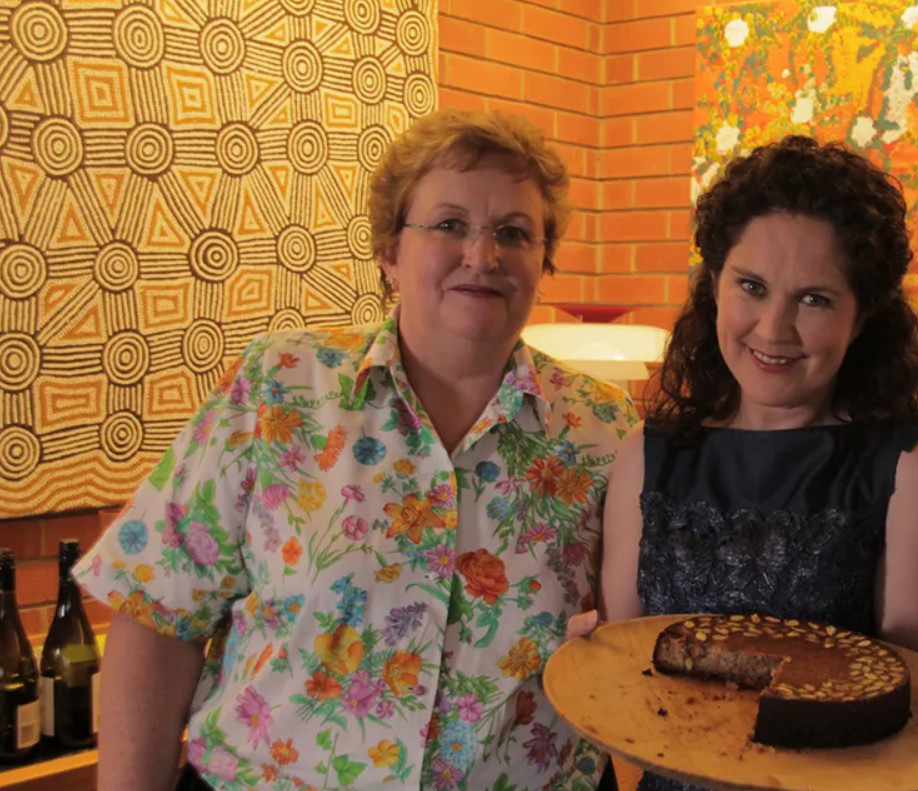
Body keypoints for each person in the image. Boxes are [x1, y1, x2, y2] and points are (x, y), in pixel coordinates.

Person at [76, 109, 638, 791]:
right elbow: (157, 610)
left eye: (514, 233)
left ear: (543, 261)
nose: (482, 255)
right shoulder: (280, 386)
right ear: (389, 252)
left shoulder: (602, 429)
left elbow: (629, 635)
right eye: (449, 224)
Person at [587, 135, 918, 791]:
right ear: (713, 284)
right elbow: (627, 668)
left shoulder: (911, 470)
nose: (773, 329)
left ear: (863, 313)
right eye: (752, 287)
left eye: (814, 298)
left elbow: (913, 710)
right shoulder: (646, 455)